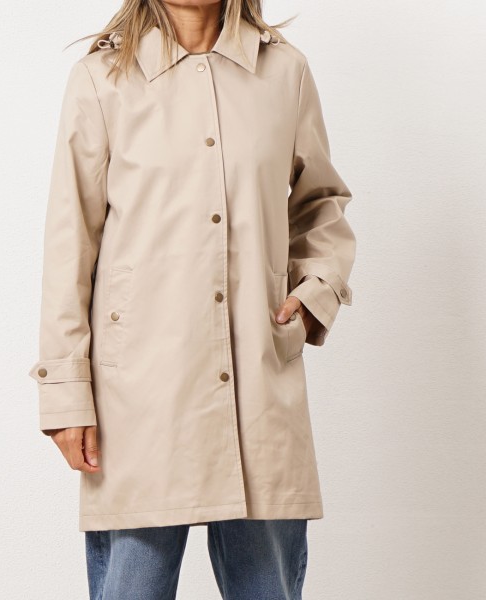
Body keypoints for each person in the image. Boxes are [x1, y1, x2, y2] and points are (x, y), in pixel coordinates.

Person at [28, 0, 356, 598]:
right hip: (141, 397)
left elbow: (320, 204)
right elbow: (70, 242)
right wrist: (66, 391)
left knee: (267, 587)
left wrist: (315, 294)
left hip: (258, 384)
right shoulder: (103, 79)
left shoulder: (284, 72)